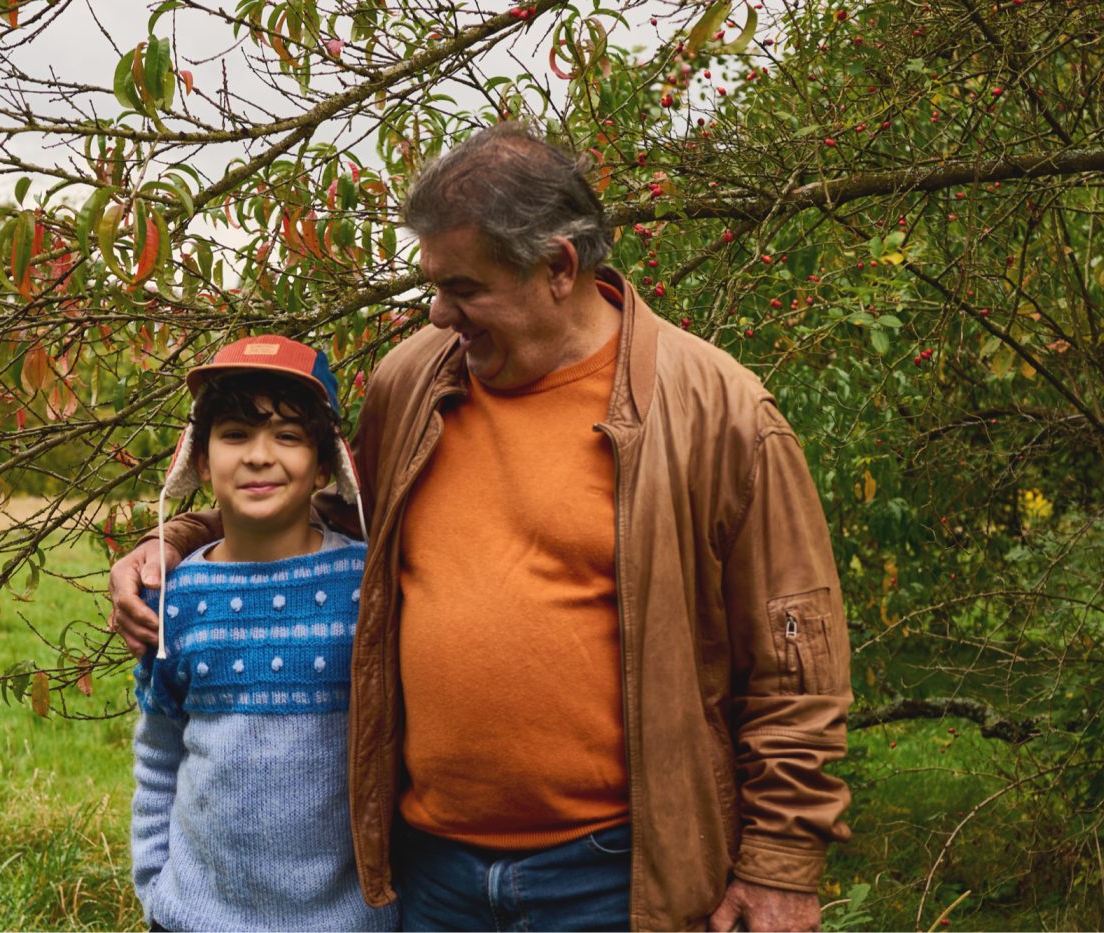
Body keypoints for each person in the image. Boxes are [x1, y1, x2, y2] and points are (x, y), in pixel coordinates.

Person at [111, 124, 852, 932]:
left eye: (462, 287)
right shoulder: (413, 380)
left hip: (609, 876)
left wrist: (781, 866)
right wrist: (180, 541)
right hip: (432, 874)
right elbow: (330, 511)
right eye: (432, 284)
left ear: (559, 267)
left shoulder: (717, 412)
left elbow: (796, 666)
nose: (438, 311)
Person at [127, 335, 396, 932]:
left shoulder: (367, 585)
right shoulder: (175, 599)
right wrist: (154, 880)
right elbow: (159, 748)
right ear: (200, 460)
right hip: (197, 917)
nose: (258, 456)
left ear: (326, 464)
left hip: (348, 921)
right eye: (235, 435)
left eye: (289, 436)